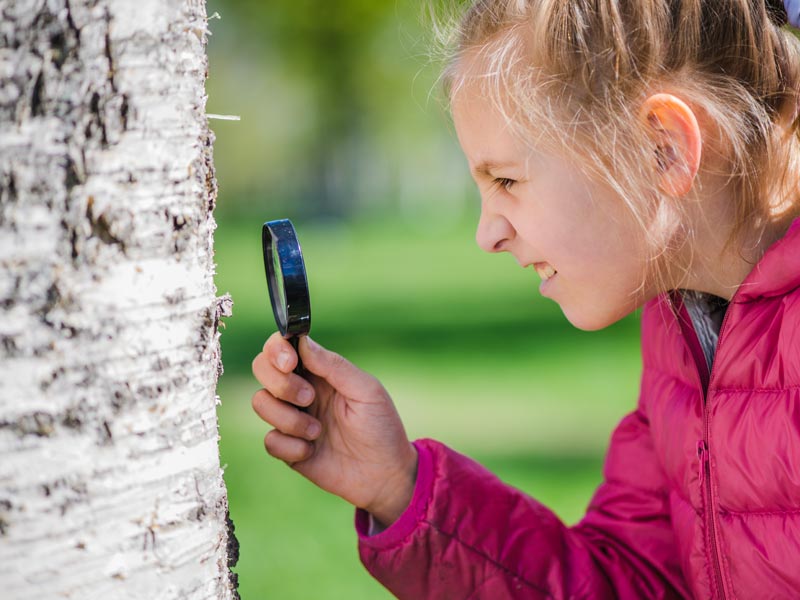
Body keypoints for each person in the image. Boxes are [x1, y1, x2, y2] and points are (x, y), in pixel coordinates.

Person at [250, 1, 800, 597]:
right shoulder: (681, 330)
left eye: (506, 180)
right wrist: (401, 489)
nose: (487, 234)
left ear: (662, 148)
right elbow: (629, 585)